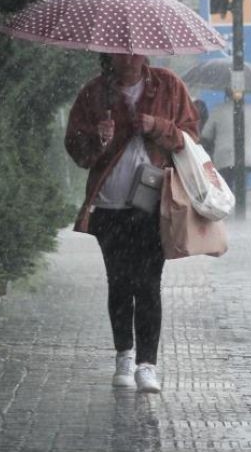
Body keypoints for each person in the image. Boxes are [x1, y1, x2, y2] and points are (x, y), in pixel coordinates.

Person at [65, 53, 198, 394]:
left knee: (149, 284)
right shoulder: (95, 93)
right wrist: (98, 138)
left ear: (145, 52)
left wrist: (159, 127)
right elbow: (77, 151)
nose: (128, 58)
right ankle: (124, 355)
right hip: (109, 206)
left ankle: (147, 365)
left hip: (153, 204)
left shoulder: (168, 85)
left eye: (134, 50)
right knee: (120, 282)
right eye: (120, 52)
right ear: (109, 55)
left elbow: (191, 139)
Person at [200, 92, 251, 196]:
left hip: (224, 156)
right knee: (242, 187)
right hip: (245, 156)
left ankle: (230, 206)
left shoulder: (218, 109)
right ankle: (240, 209)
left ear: (226, 95)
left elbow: (206, 134)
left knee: (227, 186)